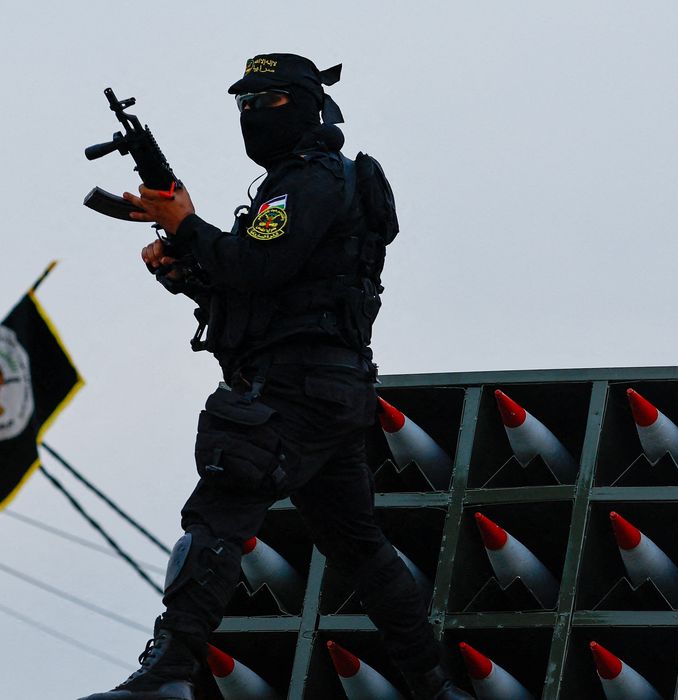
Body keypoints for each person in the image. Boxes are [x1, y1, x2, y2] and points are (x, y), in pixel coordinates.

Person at [76, 54, 471, 700]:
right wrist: (182, 267)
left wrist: (187, 226)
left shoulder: (308, 183)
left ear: (305, 105)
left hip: (293, 390)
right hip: (329, 390)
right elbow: (250, 295)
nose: (251, 117)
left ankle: (169, 674)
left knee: (217, 515)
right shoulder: (302, 187)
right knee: (358, 546)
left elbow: (256, 266)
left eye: (265, 104)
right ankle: (432, 686)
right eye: (242, 106)